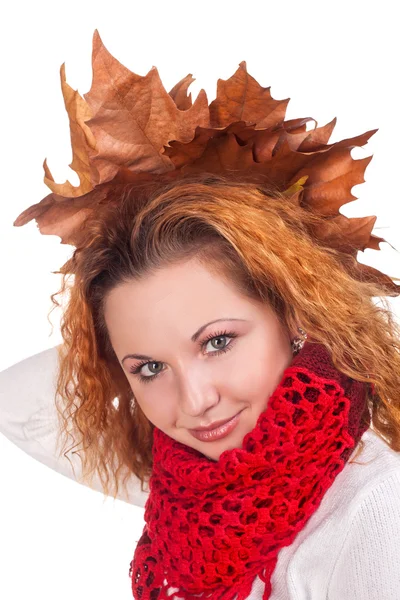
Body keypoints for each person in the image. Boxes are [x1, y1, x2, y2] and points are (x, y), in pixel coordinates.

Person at [2, 29, 400, 600]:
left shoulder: (376, 514)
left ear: (295, 315)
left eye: (217, 342)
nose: (195, 402)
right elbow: (14, 403)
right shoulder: (194, 494)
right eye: (149, 369)